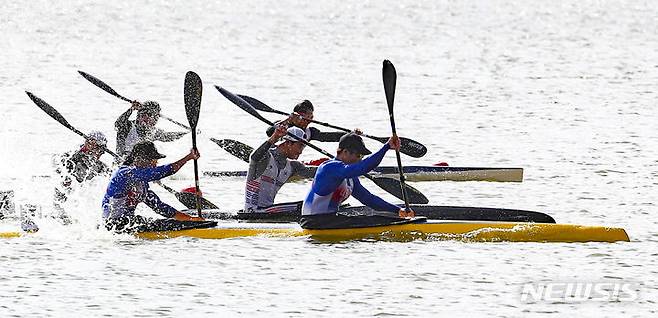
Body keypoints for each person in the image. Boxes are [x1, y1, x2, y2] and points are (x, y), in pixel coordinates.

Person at [300, 133, 415, 229]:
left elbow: (369, 199)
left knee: (377, 218)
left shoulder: (350, 177)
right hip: (313, 222)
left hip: (329, 220)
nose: (360, 159)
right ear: (345, 152)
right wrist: (386, 147)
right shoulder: (329, 168)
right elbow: (363, 167)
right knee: (372, 221)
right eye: (358, 155)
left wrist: (397, 210)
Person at [102, 141, 204, 233]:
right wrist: (188, 157)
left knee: (156, 222)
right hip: (112, 224)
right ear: (139, 159)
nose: (155, 164)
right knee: (156, 223)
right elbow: (161, 172)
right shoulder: (125, 174)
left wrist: (190, 219)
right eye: (153, 160)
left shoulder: (141, 185)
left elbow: (159, 207)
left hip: (126, 223)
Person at [243, 125, 316, 214]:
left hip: (268, 210)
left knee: (311, 203)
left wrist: (336, 166)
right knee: (304, 205)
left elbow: (318, 172)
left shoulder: (293, 166)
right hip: (253, 211)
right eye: (300, 146)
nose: (301, 151)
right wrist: (274, 137)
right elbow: (254, 157)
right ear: (288, 143)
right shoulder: (266, 157)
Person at [53, 131, 112, 224]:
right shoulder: (71, 157)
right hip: (60, 198)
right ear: (89, 145)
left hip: (76, 202)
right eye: (99, 149)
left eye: (102, 151)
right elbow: (59, 163)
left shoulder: (99, 166)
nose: (101, 153)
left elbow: (113, 177)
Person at [115, 101, 187, 157]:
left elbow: (169, 136)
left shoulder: (153, 131)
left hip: (139, 167)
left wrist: (188, 133)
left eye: (157, 117)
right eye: (154, 117)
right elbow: (118, 124)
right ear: (142, 116)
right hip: (121, 166)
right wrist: (131, 109)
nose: (156, 120)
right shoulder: (127, 127)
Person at [266, 100, 358, 142]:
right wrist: (287, 120)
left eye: (311, 116)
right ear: (299, 115)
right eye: (308, 116)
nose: (311, 119)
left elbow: (329, 136)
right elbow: (269, 132)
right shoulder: (284, 126)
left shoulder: (310, 132)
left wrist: (351, 134)